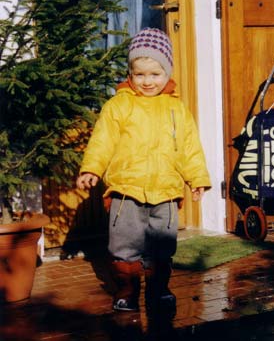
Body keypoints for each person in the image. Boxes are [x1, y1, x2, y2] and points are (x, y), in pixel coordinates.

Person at [76, 28, 211, 314]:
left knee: (162, 246)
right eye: (140, 74)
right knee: (124, 244)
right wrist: (92, 169)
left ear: (167, 72)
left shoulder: (177, 109)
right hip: (127, 192)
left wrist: (197, 178)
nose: (147, 81)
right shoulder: (118, 106)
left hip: (166, 192)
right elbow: (102, 141)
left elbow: (189, 147)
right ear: (130, 73)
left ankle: (159, 289)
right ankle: (126, 290)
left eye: (155, 74)